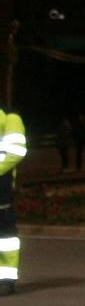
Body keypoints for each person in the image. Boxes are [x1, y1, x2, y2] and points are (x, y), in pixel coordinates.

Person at [0, 103, 23, 294]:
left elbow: (15, 152)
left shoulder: (10, 119)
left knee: (5, 236)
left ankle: (6, 280)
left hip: (2, 187)